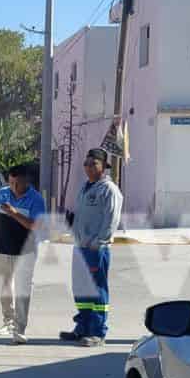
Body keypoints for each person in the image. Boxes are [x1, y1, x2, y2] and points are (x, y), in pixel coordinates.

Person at [62, 148, 123, 347]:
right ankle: (83, 327)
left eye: (93, 163)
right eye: (86, 164)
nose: (88, 167)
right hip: (80, 246)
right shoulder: (86, 187)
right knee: (81, 290)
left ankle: (97, 332)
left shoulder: (109, 189)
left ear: (103, 166)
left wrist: (99, 242)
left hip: (96, 248)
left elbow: (111, 220)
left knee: (97, 291)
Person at [0, 163, 46, 344]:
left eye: (16, 184)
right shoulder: (2, 194)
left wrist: (14, 213)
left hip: (25, 252)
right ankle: (8, 322)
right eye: (10, 183)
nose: (13, 187)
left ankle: (20, 329)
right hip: (1, 249)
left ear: (26, 181)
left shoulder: (36, 199)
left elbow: (36, 226)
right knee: (5, 287)